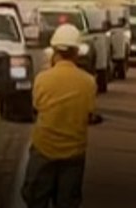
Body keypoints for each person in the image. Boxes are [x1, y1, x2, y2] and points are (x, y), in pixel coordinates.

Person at [21, 23, 103, 208]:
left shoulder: (43, 79)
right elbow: (89, 113)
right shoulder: (88, 82)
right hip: (73, 154)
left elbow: (37, 107)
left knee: (35, 200)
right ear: (76, 53)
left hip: (44, 150)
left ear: (54, 52)